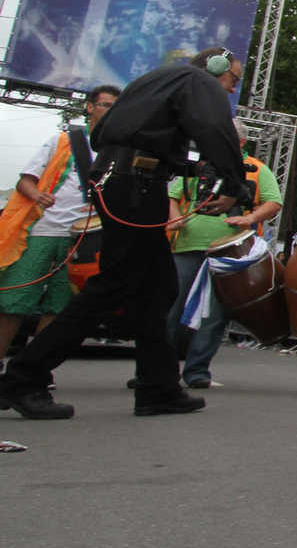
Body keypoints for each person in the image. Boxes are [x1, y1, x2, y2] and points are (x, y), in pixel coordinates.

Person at [0, 48, 244, 420]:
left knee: (157, 287)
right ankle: (22, 378)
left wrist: (190, 168)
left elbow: (113, 137)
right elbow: (214, 128)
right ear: (216, 67)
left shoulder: (151, 81)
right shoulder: (199, 81)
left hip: (123, 181)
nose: (231, 89)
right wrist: (233, 181)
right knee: (114, 283)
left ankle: (158, 388)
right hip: (136, 187)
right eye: (233, 80)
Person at [0, 85, 118, 362]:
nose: (111, 112)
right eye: (106, 105)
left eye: (116, 107)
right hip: (43, 231)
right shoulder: (63, 140)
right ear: (90, 107)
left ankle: (34, 370)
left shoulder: (120, 150)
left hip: (83, 239)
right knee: (13, 301)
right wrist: (37, 195)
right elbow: (25, 181)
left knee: (60, 306)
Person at [164, 119, 283, 388]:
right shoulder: (200, 165)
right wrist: (174, 216)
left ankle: (197, 371)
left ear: (241, 142)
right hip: (188, 245)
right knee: (171, 308)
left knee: (215, 314)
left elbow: (274, 202)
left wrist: (248, 218)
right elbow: (173, 194)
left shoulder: (257, 168)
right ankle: (157, 369)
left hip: (230, 252)